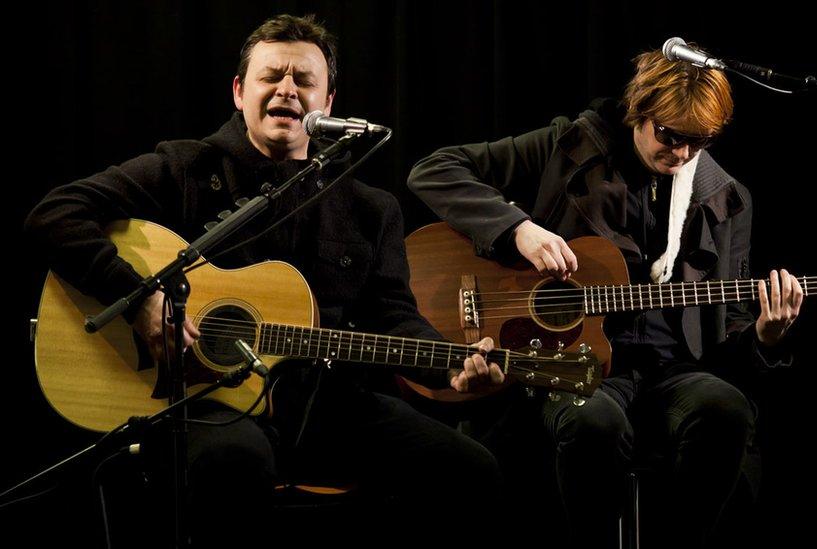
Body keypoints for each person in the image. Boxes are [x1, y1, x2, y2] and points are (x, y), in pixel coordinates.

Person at [25, 14, 504, 548]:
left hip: (324, 405)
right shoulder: (184, 167)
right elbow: (55, 214)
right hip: (200, 403)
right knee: (235, 461)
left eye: (304, 81)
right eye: (271, 76)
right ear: (239, 91)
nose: (287, 90)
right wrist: (140, 299)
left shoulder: (370, 208)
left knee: (470, 469)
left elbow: (394, 316)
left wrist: (450, 368)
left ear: (329, 101)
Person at [407, 46, 804, 547]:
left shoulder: (724, 197)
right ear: (640, 111)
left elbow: (732, 331)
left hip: (670, 372)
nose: (679, 153)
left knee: (726, 408)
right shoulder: (569, 146)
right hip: (571, 363)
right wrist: (518, 230)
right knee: (593, 421)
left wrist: (765, 337)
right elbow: (433, 170)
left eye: (696, 142)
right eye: (668, 135)